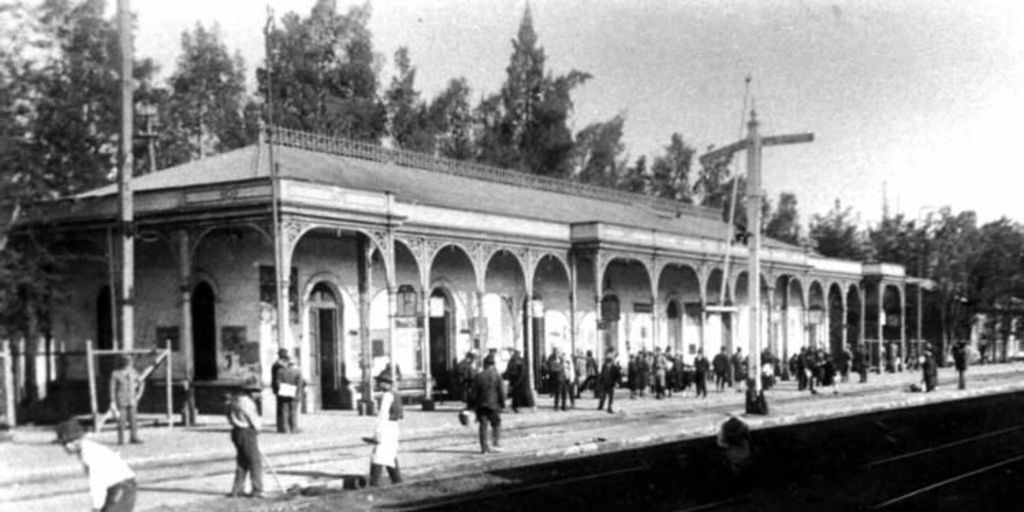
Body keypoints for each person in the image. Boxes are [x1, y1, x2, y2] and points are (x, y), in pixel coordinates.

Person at [56, 419, 136, 512]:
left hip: (122, 486)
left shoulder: (89, 454)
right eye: (63, 444)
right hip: (114, 486)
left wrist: (96, 507)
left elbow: (97, 482)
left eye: (66, 443)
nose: (65, 447)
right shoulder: (84, 450)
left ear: (76, 441)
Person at [226, 385, 264, 498]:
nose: (258, 395)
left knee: (242, 461)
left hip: (236, 431)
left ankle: (237, 489)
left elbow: (228, 415)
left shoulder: (234, 400)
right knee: (255, 462)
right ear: (251, 392)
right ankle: (257, 490)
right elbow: (253, 419)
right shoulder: (247, 403)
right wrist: (258, 429)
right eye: (257, 392)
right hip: (247, 431)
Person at [368, 372, 403, 485]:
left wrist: (377, 432)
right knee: (389, 454)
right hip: (394, 427)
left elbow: (383, 415)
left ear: (385, 384)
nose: (378, 384)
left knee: (378, 455)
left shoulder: (387, 396)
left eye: (380, 382)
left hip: (386, 428)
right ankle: (397, 481)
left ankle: (374, 483)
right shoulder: (396, 394)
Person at [471, 355, 505, 453]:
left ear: (485, 364)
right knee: (496, 423)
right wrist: (502, 404)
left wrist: (472, 405)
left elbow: (474, 392)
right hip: (494, 405)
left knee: (483, 425)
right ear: (493, 365)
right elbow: (501, 391)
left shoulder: (479, 376)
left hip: (481, 405)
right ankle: (496, 443)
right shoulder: (497, 375)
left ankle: (484, 448)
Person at [109, 355, 142, 445]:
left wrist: (139, 394)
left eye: (128, 362)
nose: (127, 364)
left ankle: (134, 437)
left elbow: (141, 382)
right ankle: (121, 440)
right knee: (121, 421)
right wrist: (112, 401)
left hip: (132, 399)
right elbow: (112, 388)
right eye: (125, 362)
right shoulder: (115, 373)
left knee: (133, 420)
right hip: (121, 399)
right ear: (122, 363)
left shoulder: (133, 372)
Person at [275, 358, 303, 433]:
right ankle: (294, 428)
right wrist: (298, 394)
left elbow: (278, 383)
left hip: (284, 393)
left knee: (285, 411)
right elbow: (299, 385)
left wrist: (283, 389)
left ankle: (285, 428)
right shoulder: (298, 372)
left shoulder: (280, 371)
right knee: (293, 411)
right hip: (294, 394)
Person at [270, 349, 290, 433]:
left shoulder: (276, 364)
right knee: (284, 407)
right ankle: (283, 426)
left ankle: (281, 425)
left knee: (281, 406)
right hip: (283, 386)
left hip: (279, 387)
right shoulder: (280, 365)